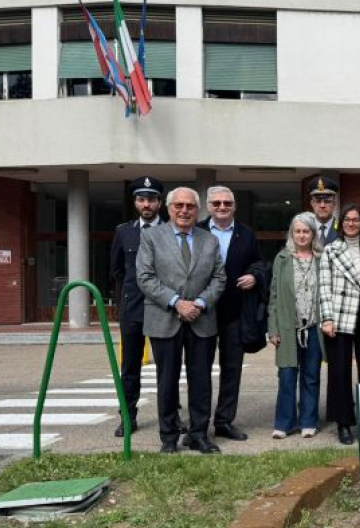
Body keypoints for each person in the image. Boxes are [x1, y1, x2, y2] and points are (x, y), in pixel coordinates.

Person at [136, 187, 226, 454]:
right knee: (167, 381)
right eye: (179, 206)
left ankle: (199, 434)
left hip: (201, 319)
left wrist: (198, 303)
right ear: (169, 208)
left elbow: (220, 278)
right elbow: (145, 277)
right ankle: (168, 437)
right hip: (165, 318)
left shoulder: (208, 239)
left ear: (197, 210)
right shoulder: (151, 237)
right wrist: (177, 302)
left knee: (201, 381)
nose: (184, 211)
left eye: (189, 206)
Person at [195, 186, 263, 442]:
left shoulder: (246, 234)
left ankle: (224, 421)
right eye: (217, 203)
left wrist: (254, 276)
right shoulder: (197, 231)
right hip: (202, 313)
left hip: (234, 312)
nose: (222, 207)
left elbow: (258, 262)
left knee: (232, 370)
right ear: (209, 206)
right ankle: (198, 424)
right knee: (200, 370)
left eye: (227, 203)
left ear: (234, 206)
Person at [110, 176, 164, 437]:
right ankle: (127, 417)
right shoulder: (124, 232)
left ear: (159, 203)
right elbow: (117, 270)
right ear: (135, 203)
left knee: (167, 366)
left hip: (163, 308)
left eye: (151, 199)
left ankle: (170, 414)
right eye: (142, 199)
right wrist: (127, 299)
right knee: (129, 367)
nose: (146, 204)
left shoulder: (169, 229)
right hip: (132, 309)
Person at [319, 204, 360, 445]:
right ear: (341, 224)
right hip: (340, 317)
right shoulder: (331, 250)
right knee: (339, 372)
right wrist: (327, 318)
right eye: (347, 220)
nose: (352, 224)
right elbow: (324, 287)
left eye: (356, 220)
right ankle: (343, 423)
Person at [269, 212, 324, 439]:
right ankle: (284, 423)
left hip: (314, 327)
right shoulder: (282, 259)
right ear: (292, 234)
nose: (302, 235)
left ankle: (308, 421)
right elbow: (273, 296)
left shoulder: (322, 258)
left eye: (306, 231)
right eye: (297, 231)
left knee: (311, 376)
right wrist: (273, 328)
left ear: (313, 234)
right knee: (287, 375)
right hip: (287, 328)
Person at [309, 175, 340, 247]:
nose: (322, 205)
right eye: (318, 201)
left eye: (327, 201)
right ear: (312, 204)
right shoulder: (305, 229)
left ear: (334, 204)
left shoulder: (342, 229)